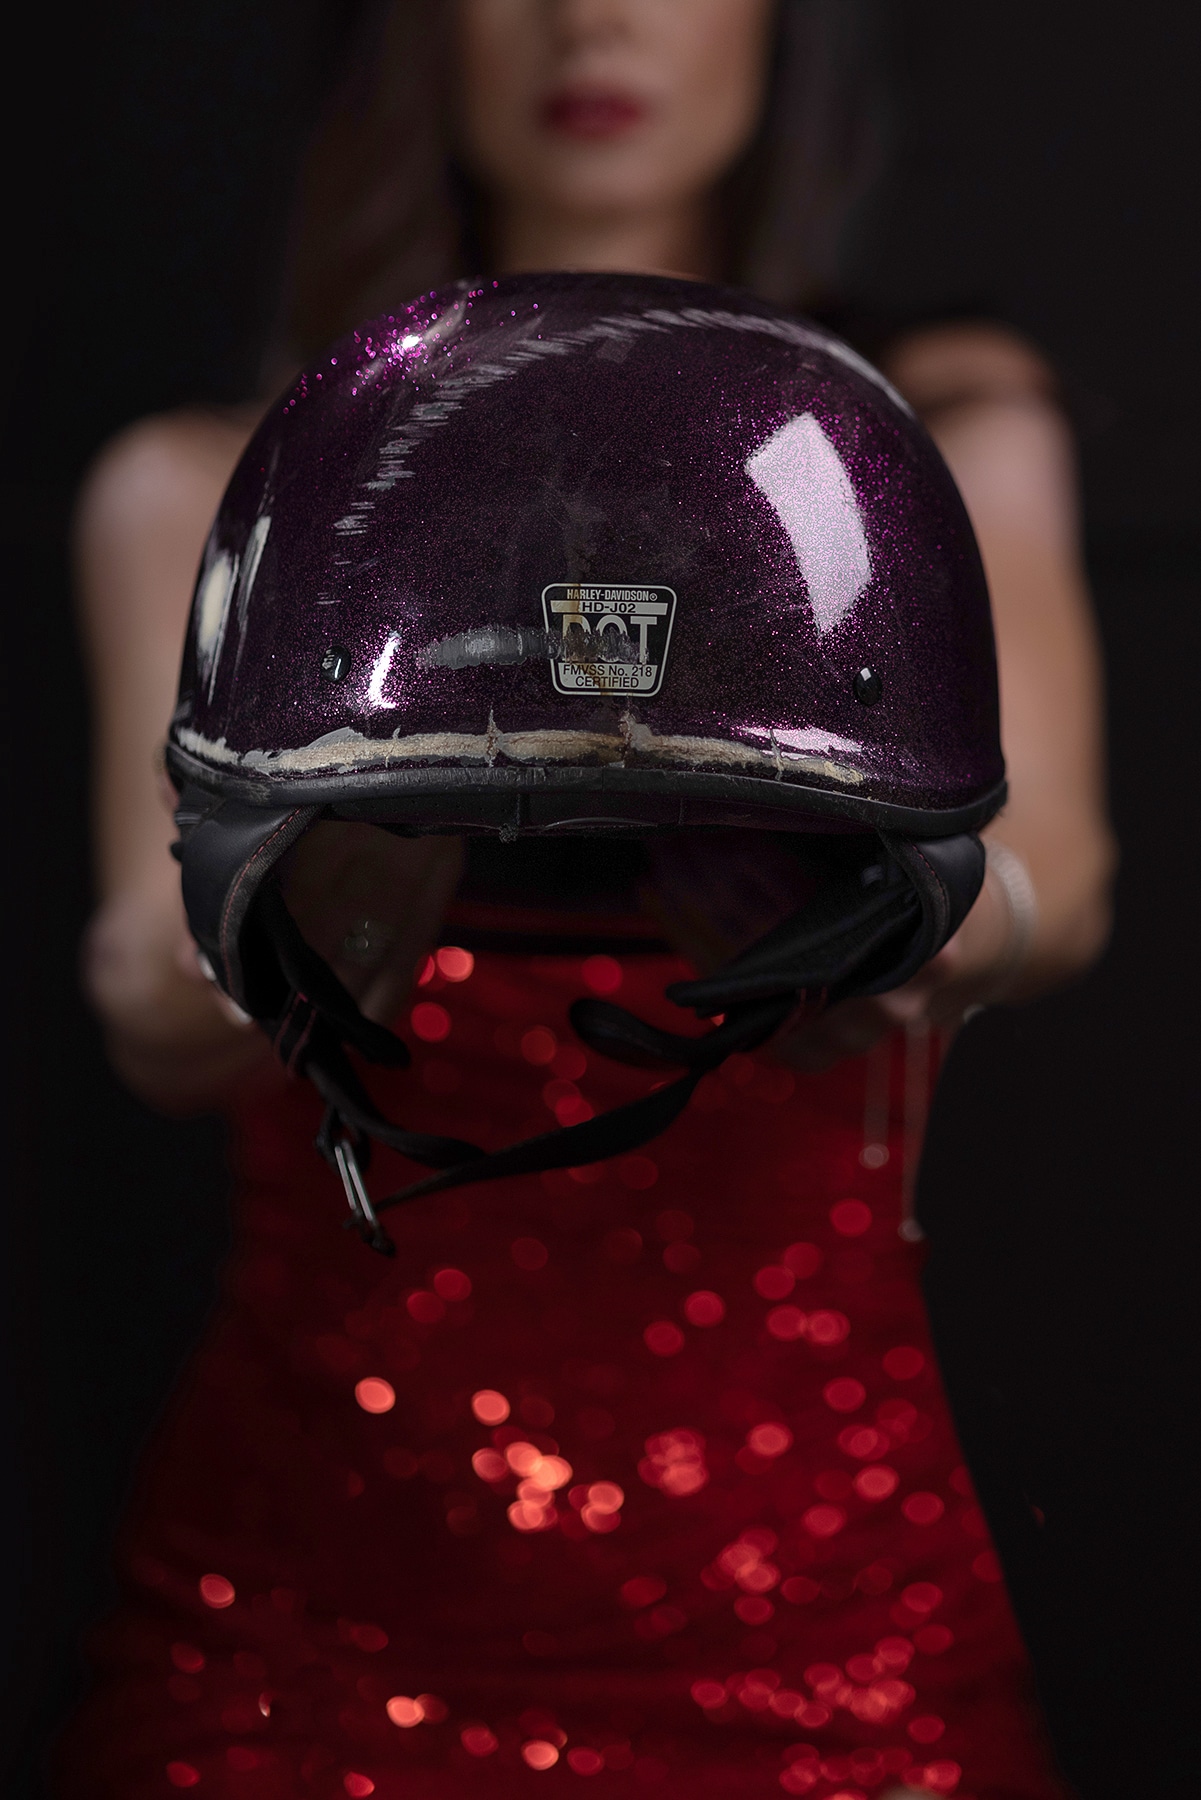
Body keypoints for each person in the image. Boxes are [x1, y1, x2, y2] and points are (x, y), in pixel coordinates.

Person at [62, 3, 1113, 1795]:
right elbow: (151, 1006)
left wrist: (892, 926)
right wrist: (272, 916)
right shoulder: (207, 483)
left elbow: (1059, 888)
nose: (590, 17)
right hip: (308, 1612)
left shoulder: (929, 445)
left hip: (821, 1615)